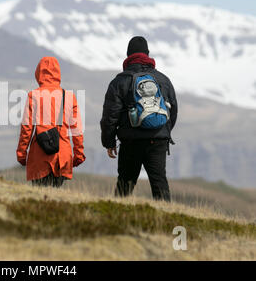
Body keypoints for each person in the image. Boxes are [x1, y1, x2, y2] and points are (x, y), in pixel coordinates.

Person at [100, 36, 178, 201]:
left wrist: (109, 141)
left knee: (125, 186)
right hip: (157, 140)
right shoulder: (163, 80)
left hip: (131, 141)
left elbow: (110, 115)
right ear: (148, 54)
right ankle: (167, 222)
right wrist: (163, 132)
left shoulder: (120, 81)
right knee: (159, 184)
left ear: (128, 55)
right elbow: (174, 111)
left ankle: (116, 221)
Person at [17, 56, 85, 187]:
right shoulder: (69, 97)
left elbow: (26, 129)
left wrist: (21, 153)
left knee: (38, 200)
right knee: (55, 199)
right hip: (62, 156)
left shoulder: (34, 96)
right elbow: (77, 131)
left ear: (39, 73)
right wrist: (78, 155)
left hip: (39, 157)